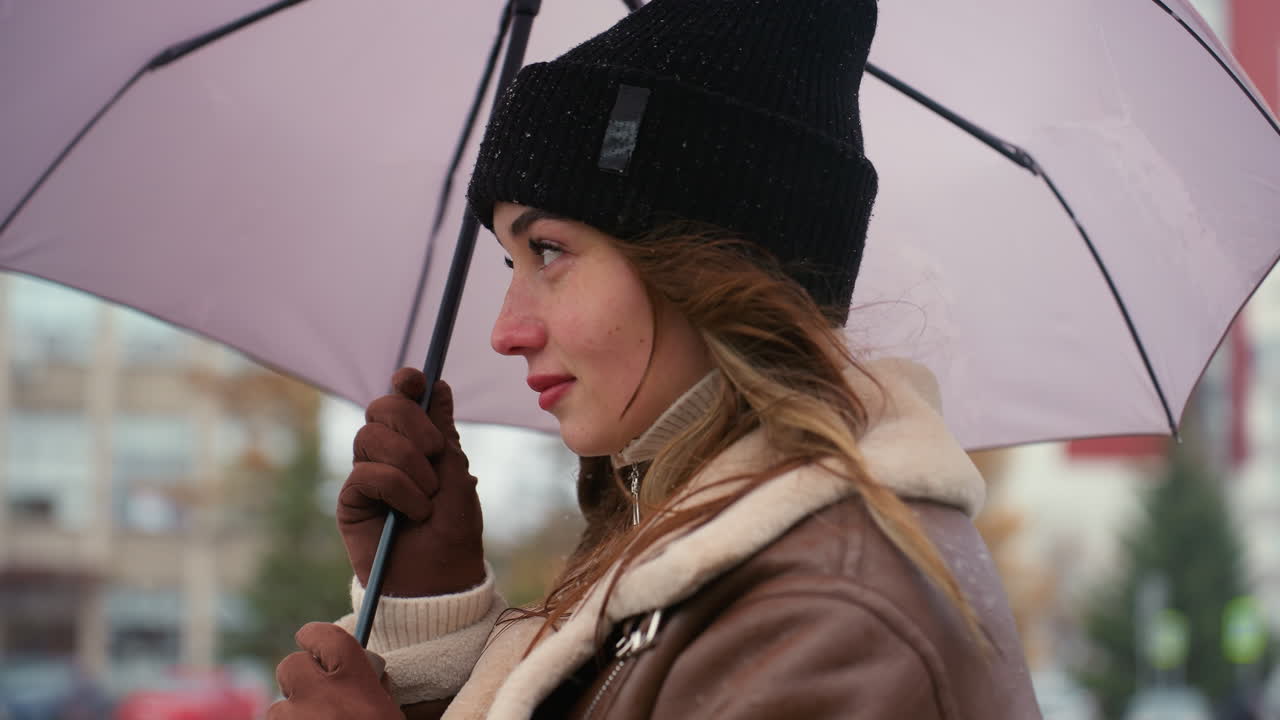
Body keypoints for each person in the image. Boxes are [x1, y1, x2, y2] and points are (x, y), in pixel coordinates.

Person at [268, 0, 1042, 718]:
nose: (506, 332)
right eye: (511, 263)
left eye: (548, 250)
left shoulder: (836, 615)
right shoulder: (687, 547)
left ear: (713, 261)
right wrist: (432, 612)